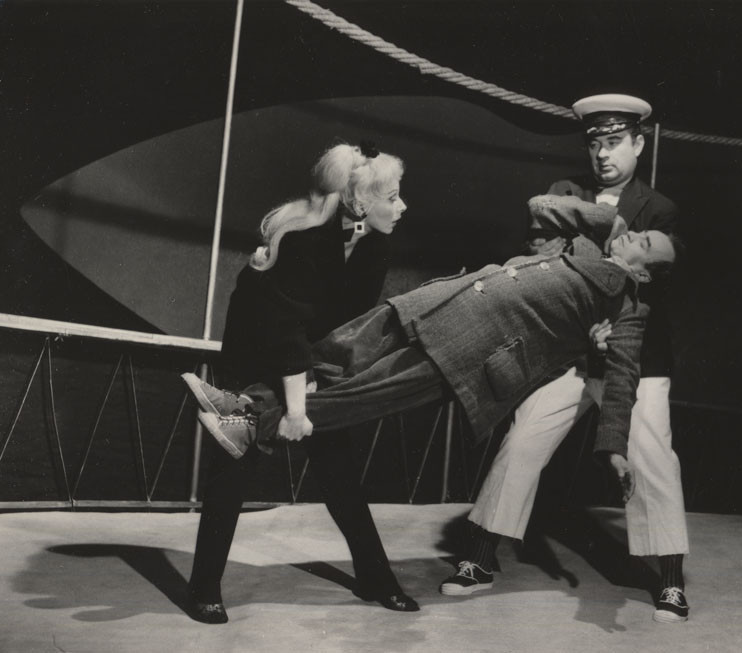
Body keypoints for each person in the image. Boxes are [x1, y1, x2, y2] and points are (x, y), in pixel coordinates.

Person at [186, 197, 678, 578]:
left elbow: (622, 381)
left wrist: (614, 448)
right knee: (332, 354)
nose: (633, 233)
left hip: (469, 353)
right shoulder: (588, 247)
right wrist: (611, 219)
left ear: (642, 273)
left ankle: (251, 420)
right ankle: (248, 402)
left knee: (361, 393)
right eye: (638, 230)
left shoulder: (627, 309)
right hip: (441, 303)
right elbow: (542, 207)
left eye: (644, 241)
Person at [439, 94, 690, 624]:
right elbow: (542, 260)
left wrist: (615, 328)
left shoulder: (660, 209)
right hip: (571, 353)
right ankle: (478, 558)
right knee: (524, 438)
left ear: (638, 144)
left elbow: (657, 285)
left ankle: (670, 579)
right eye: (595, 143)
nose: (603, 153)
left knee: (652, 459)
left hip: (637, 357)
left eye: (615, 142)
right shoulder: (565, 193)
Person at [184, 141, 418, 625]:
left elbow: (346, 324)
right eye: (392, 197)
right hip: (254, 356)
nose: (402, 206)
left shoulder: (376, 245)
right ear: (359, 203)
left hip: (307, 360)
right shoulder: (305, 239)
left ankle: (375, 577)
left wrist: (317, 381)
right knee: (234, 466)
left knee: (339, 471)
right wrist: (294, 409)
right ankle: (203, 587)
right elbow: (284, 328)